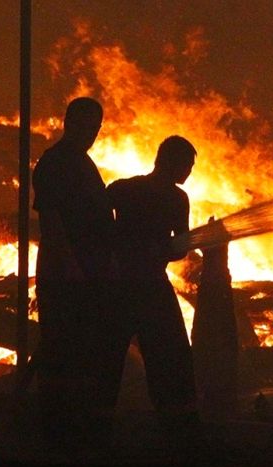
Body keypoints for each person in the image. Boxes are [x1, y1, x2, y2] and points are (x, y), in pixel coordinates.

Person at [32, 97, 117, 450]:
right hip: (66, 274)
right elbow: (51, 220)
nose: (91, 133)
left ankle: (77, 430)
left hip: (87, 271)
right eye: (86, 125)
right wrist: (69, 266)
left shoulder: (82, 162)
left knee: (82, 352)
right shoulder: (55, 163)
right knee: (62, 352)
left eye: (96, 127)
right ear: (68, 122)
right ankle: (57, 434)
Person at [107, 135, 198, 434]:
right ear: (172, 162)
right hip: (149, 286)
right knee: (170, 357)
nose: (189, 172)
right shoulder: (177, 199)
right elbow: (179, 248)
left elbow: (98, 225)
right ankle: (176, 426)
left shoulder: (123, 189)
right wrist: (161, 249)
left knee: (108, 356)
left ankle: (96, 421)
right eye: (187, 165)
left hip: (119, 285)